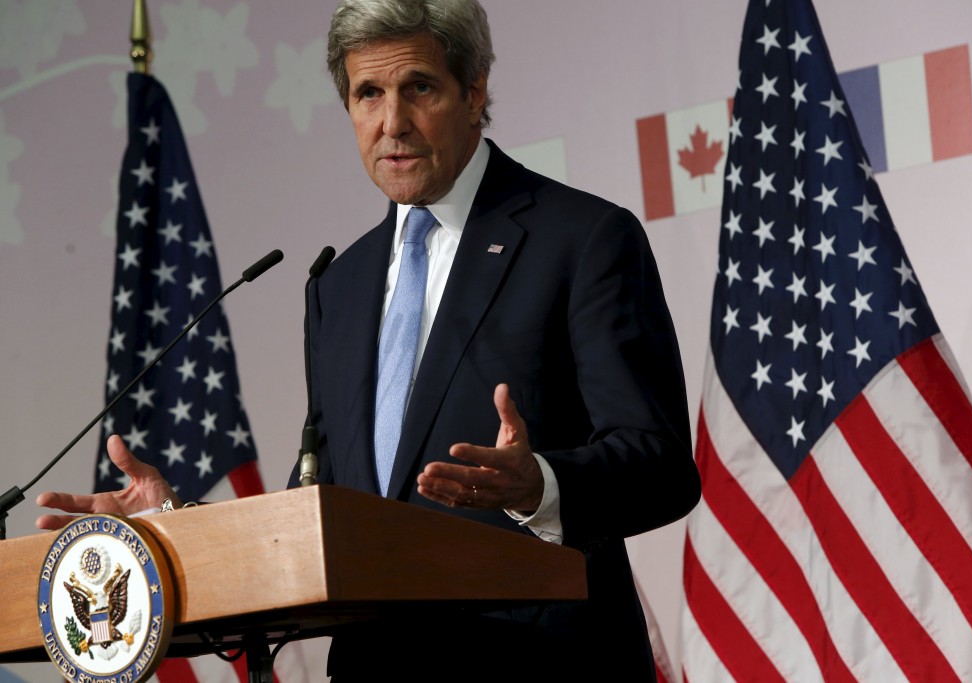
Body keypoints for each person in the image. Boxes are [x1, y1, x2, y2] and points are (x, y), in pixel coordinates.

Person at [38, 0, 701, 680]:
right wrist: (175, 521)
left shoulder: (582, 239)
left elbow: (660, 465)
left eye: (418, 87)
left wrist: (542, 487)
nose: (392, 123)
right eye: (368, 94)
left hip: (541, 663)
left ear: (474, 91)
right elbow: (328, 510)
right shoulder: (339, 284)